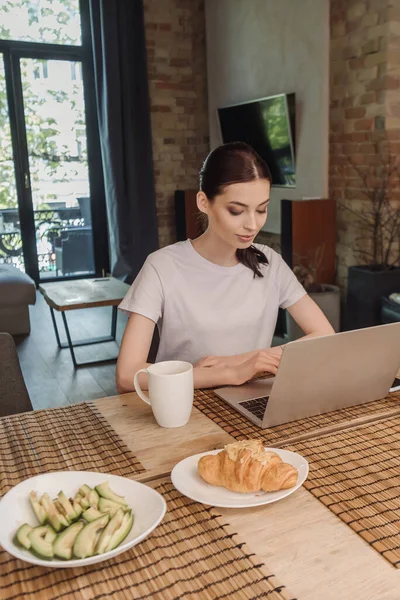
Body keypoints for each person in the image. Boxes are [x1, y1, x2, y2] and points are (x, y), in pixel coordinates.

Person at [116, 142, 334, 393]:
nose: (252, 225)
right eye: (236, 211)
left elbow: (324, 334)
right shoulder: (162, 266)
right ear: (203, 202)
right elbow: (126, 375)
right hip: (185, 405)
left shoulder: (269, 262)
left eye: (261, 209)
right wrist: (229, 373)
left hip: (254, 399)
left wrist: (248, 360)